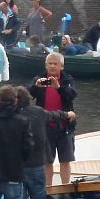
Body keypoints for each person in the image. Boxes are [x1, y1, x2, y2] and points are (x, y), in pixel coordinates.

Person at [28, 51, 78, 185]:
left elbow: (72, 95)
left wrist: (59, 88)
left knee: (65, 160)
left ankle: (65, 187)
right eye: (50, 64)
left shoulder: (68, 80)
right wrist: (35, 87)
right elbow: (27, 95)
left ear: (61, 66)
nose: (52, 67)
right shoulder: (39, 79)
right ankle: (48, 189)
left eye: (55, 64)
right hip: (45, 126)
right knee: (47, 161)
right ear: (46, 65)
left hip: (64, 126)